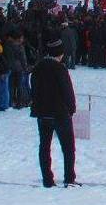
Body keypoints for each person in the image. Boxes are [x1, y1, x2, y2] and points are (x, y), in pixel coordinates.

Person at [30, 38, 78, 188]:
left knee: (44, 146)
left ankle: (47, 179)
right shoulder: (60, 69)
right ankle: (69, 178)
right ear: (60, 53)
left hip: (42, 113)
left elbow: (33, 89)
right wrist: (71, 108)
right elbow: (67, 91)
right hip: (60, 113)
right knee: (68, 147)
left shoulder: (38, 68)